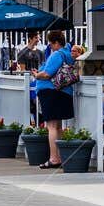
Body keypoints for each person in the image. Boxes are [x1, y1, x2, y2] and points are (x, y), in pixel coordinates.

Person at [32, 30, 77, 169]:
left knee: (51, 126)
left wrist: (36, 75)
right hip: (64, 93)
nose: (50, 47)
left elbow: (47, 74)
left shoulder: (57, 54)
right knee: (59, 127)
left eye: (51, 44)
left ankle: (54, 158)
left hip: (52, 93)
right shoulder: (69, 55)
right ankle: (60, 156)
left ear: (57, 42)